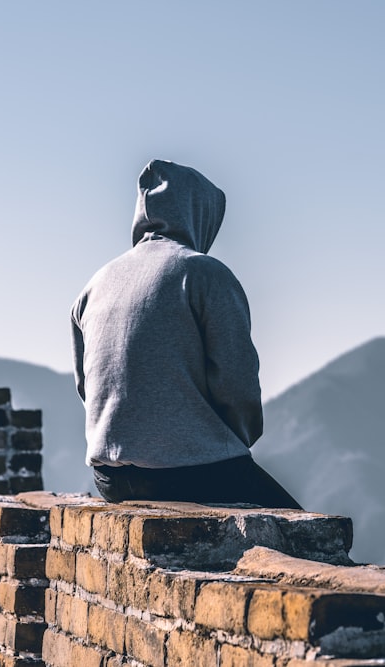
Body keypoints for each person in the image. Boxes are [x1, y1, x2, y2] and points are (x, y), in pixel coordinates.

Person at [70, 159, 301, 509]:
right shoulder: (203, 274)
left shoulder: (93, 286)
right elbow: (237, 383)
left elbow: (86, 386)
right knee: (303, 536)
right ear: (199, 214)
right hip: (191, 472)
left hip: (110, 478)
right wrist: (228, 443)